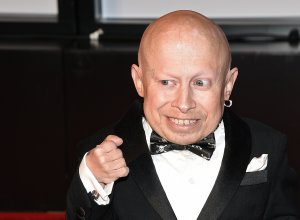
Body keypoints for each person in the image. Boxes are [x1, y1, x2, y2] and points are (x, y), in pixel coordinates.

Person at [66, 10, 300, 220]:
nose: (184, 103)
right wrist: (93, 180)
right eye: (167, 82)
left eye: (200, 83)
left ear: (228, 85)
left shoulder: (269, 145)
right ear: (139, 81)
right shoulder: (99, 156)